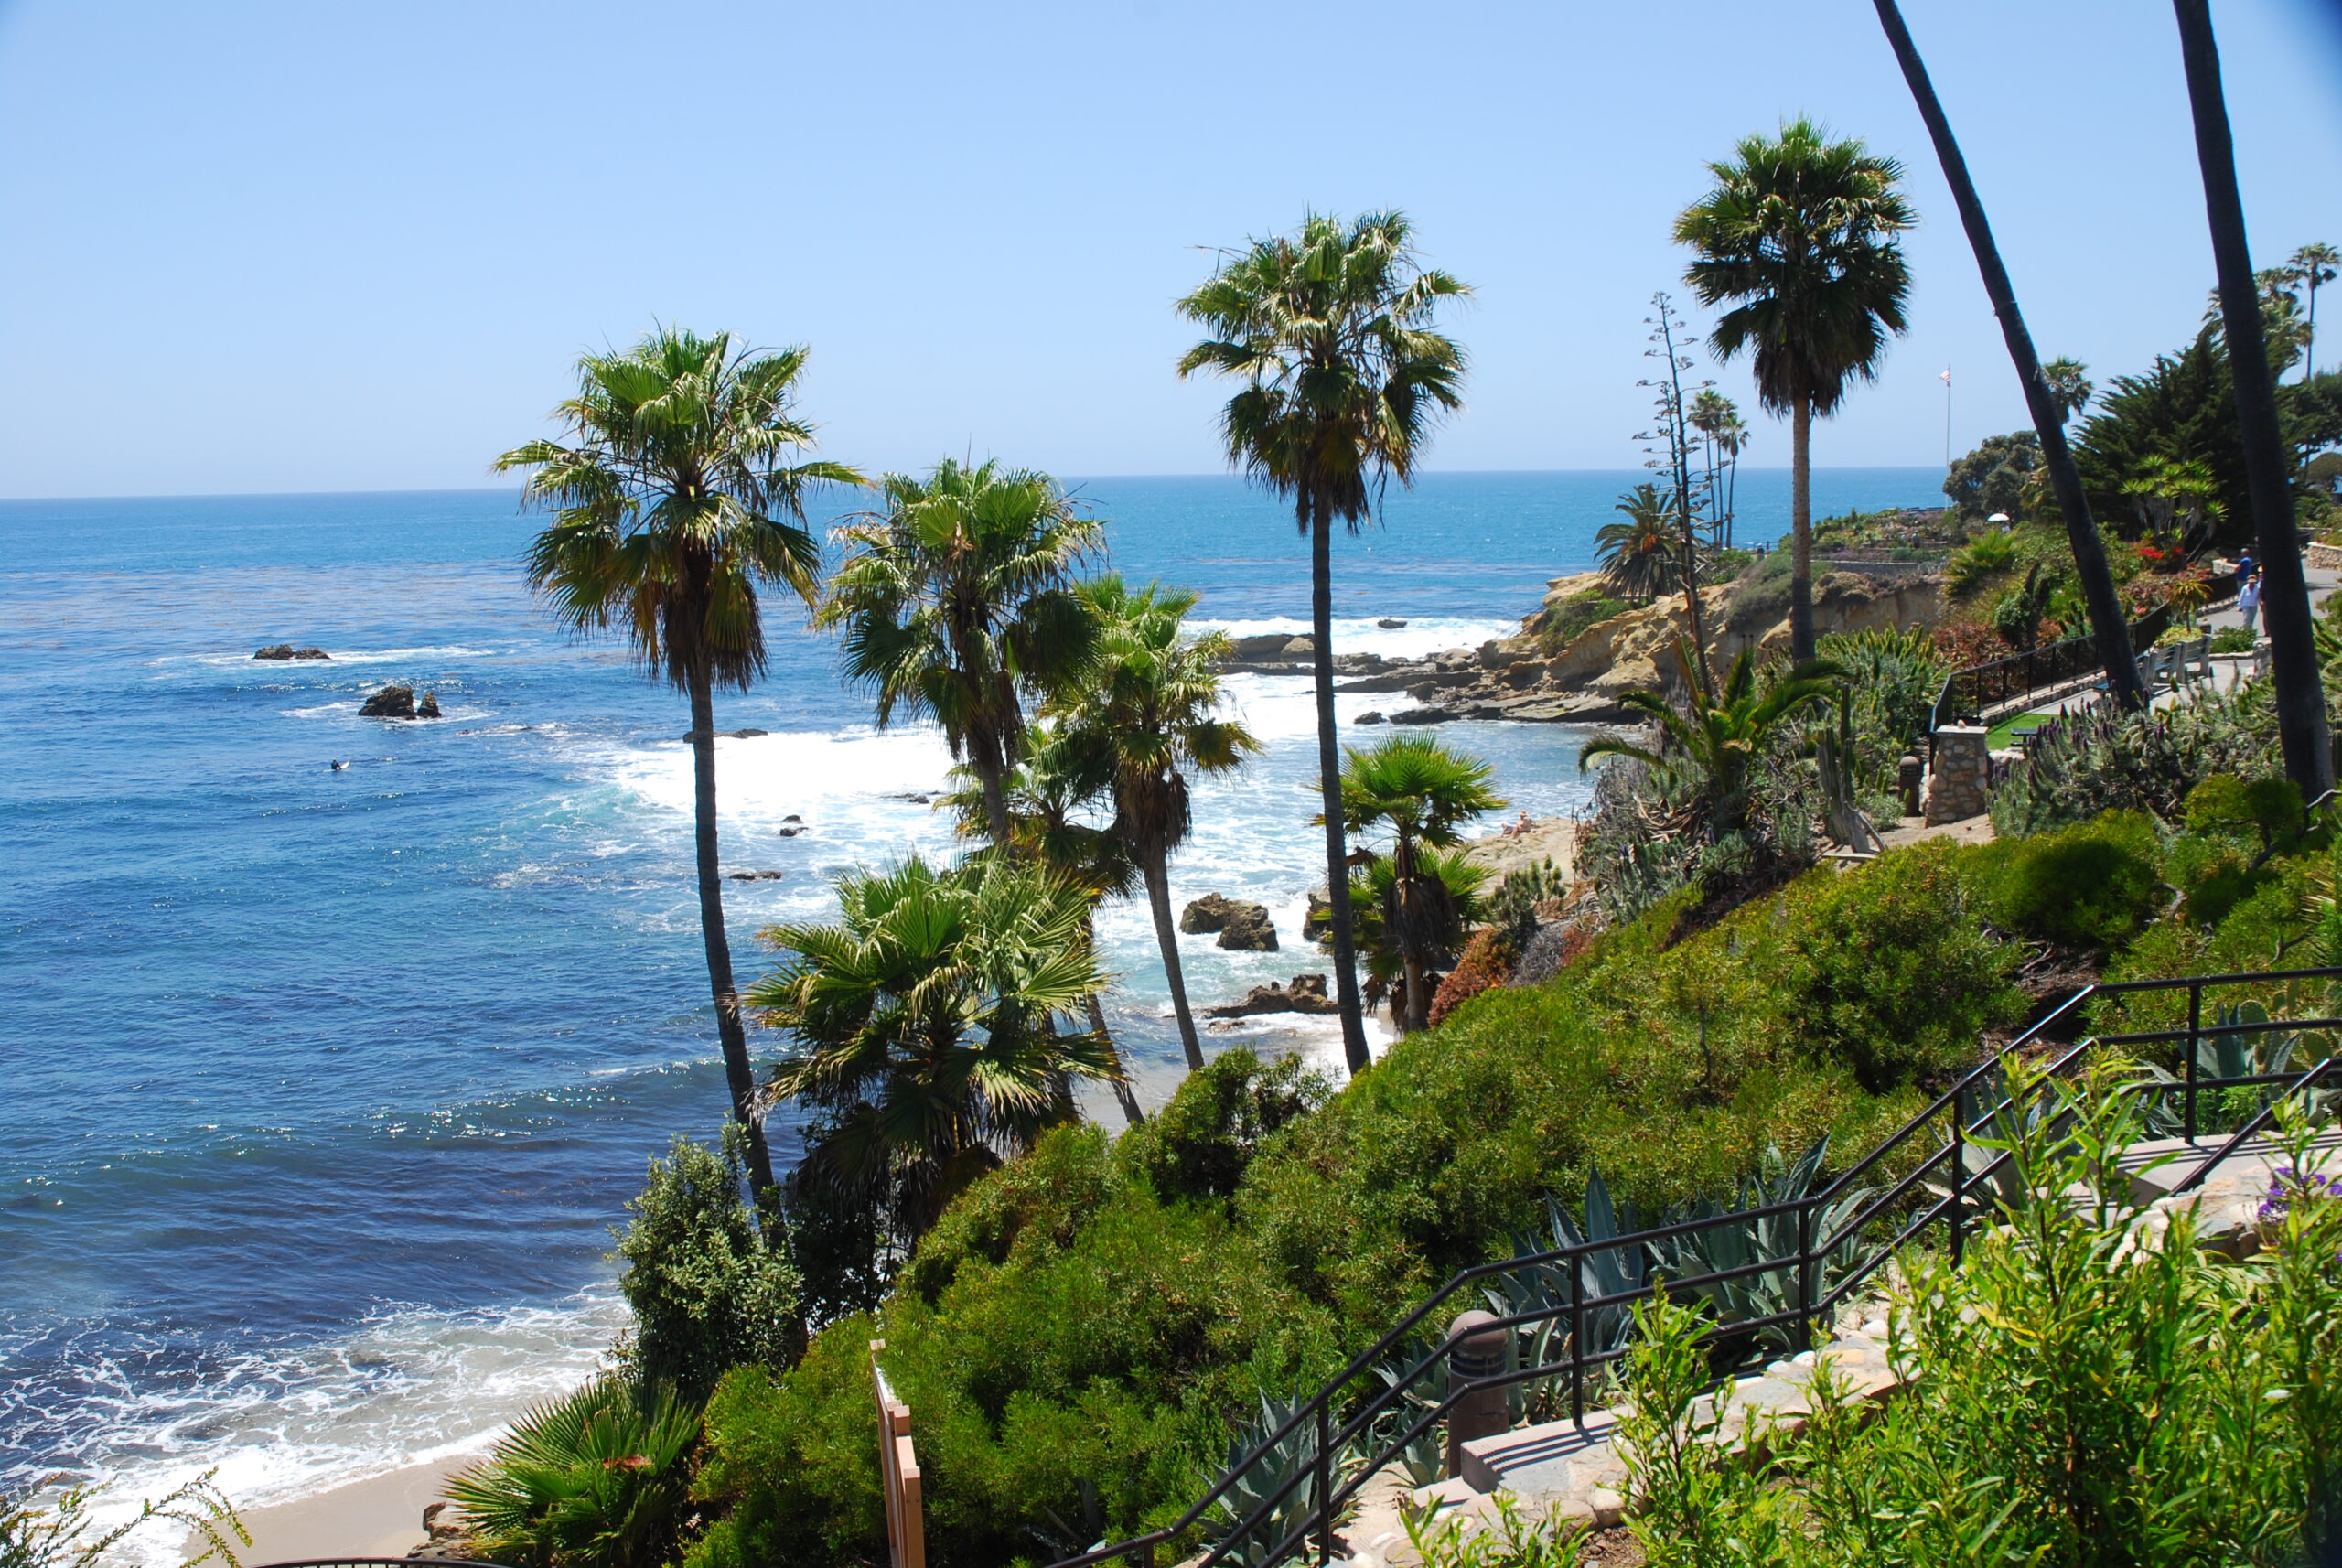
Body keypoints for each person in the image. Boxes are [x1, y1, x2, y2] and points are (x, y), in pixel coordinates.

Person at [2239, 569, 2262, 636]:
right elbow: (2241, 596)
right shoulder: (2245, 588)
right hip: (2246, 604)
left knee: (2251, 619)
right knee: (2247, 618)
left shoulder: (2257, 587)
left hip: (2254, 605)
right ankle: (2245, 631)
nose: (2251, 583)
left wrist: (2260, 604)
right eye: (2250, 582)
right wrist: (2239, 605)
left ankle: (2250, 632)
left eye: (2253, 582)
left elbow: (2258, 596)